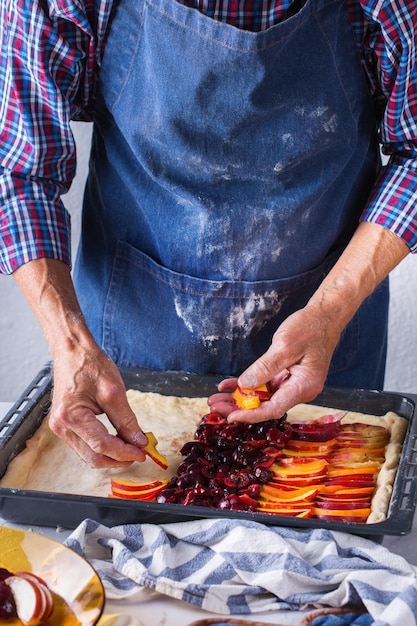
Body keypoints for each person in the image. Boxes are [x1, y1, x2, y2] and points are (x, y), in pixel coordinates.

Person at [0, 0, 415, 468]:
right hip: (132, 339)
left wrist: (328, 312)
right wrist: (70, 344)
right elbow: (18, 172)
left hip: (327, 328)